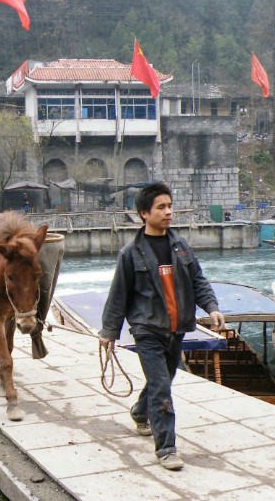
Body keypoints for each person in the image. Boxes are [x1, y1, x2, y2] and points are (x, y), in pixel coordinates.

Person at [99, 182, 225, 471]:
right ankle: (166, 448)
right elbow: (118, 295)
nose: (169, 212)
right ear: (144, 213)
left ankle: (140, 412)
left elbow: (198, 281)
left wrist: (213, 307)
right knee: (161, 387)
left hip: (176, 328)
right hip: (147, 331)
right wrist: (109, 332)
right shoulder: (130, 254)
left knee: (164, 381)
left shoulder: (180, 247)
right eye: (161, 207)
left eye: (170, 206)